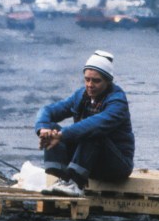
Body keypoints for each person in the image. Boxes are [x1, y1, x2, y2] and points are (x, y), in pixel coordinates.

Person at [34, 50, 135, 196]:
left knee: (92, 133)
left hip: (116, 166)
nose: (90, 85)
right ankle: (64, 179)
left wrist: (62, 135)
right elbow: (48, 110)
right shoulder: (80, 96)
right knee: (52, 128)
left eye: (96, 81)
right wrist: (43, 129)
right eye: (87, 79)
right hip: (90, 161)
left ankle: (76, 183)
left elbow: (94, 125)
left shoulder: (117, 101)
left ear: (108, 81)